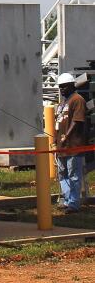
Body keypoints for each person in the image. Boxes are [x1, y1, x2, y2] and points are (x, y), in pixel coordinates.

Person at [54, 72, 87, 214]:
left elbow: (77, 121)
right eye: (60, 87)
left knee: (73, 174)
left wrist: (66, 136)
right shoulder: (63, 101)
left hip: (73, 145)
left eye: (64, 86)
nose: (61, 89)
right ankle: (67, 200)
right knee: (62, 174)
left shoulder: (77, 99)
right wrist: (57, 140)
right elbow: (59, 121)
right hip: (62, 147)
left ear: (72, 85)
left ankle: (74, 203)